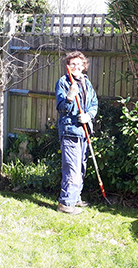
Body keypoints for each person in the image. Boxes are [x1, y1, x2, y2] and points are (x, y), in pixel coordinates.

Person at [55, 51, 98, 215]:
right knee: (72, 168)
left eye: (79, 64)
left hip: (84, 130)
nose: (76, 67)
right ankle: (66, 203)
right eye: (73, 64)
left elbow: (94, 103)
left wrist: (89, 115)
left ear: (84, 66)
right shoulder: (64, 82)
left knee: (81, 167)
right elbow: (61, 108)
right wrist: (70, 97)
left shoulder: (87, 83)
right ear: (68, 66)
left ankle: (75, 197)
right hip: (70, 131)